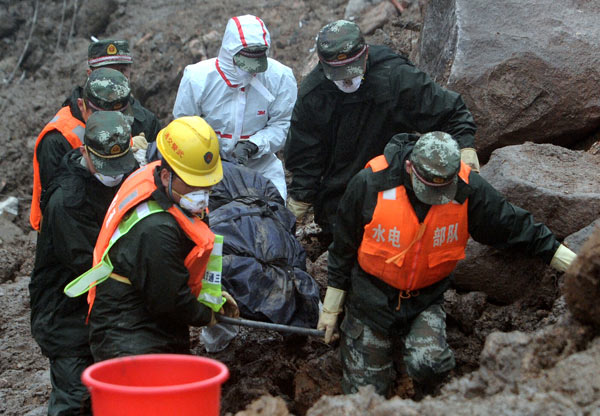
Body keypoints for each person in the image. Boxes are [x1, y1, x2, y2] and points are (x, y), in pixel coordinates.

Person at [317, 131, 578, 396]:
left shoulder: (467, 189)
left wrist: (575, 264)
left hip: (424, 300)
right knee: (365, 395)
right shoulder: (370, 184)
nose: (435, 196)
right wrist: (331, 307)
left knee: (430, 365)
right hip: (369, 299)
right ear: (410, 167)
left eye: (443, 189)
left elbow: (514, 225)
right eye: (428, 188)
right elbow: (343, 246)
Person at [284, 20, 479, 245]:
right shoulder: (314, 94)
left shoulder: (395, 77)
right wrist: (300, 199)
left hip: (396, 176)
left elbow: (450, 112)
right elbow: (306, 153)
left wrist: (465, 149)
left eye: (352, 69)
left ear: (365, 55)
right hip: (342, 189)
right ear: (322, 63)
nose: (347, 79)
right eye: (338, 73)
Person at [79, 116, 239, 361]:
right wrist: (206, 314)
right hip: (128, 332)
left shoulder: (157, 186)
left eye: (207, 186)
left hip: (145, 315)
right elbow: (169, 298)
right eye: (194, 186)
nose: (202, 196)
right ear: (166, 176)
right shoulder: (156, 229)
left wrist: (214, 296)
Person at [29, 111, 137, 416]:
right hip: (65, 313)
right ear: (86, 152)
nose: (114, 175)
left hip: (105, 308)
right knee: (76, 397)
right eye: (107, 167)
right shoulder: (66, 202)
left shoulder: (127, 174)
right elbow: (90, 263)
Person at [173, 14, 297, 200]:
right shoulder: (197, 79)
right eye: (245, 65)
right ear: (229, 53)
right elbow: (183, 128)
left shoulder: (280, 78)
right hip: (206, 166)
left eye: (256, 66)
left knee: (273, 216)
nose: (250, 72)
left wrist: (253, 145)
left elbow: (283, 124)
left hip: (259, 166)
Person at [30, 67, 142, 231]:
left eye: (118, 114)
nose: (111, 121)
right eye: (103, 114)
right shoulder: (56, 140)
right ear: (82, 106)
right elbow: (59, 207)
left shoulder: (121, 120)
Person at [87, 39, 162, 142]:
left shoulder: (146, 122)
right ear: (90, 74)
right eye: (108, 71)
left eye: (122, 70)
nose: (117, 77)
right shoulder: (68, 125)